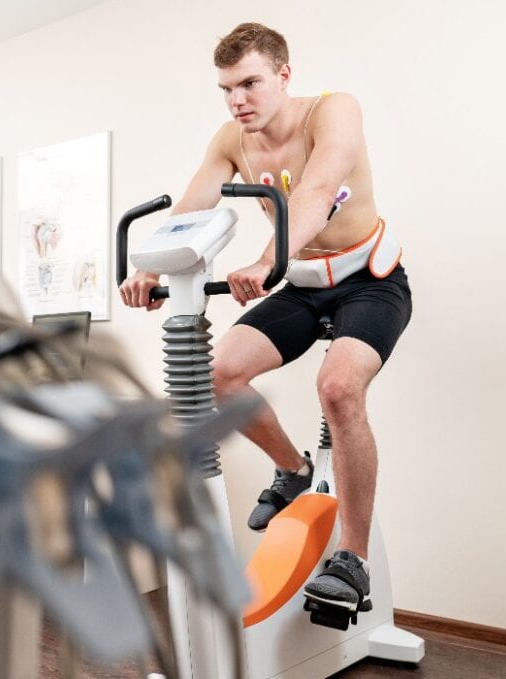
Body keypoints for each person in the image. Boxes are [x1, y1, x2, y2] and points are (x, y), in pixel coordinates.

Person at [118, 22, 412, 613]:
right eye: (226, 89)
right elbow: (193, 206)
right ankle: (294, 469)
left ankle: (351, 560)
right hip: (301, 285)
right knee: (218, 373)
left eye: (249, 83)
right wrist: (149, 268)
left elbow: (318, 187)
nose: (237, 100)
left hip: (370, 282)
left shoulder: (333, 112)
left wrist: (265, 259)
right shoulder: (232, 138)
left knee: (338, 389)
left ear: (283, 74)